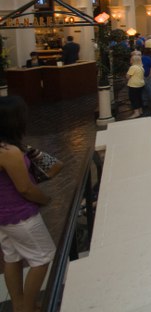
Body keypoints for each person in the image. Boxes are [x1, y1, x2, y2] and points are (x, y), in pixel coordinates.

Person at [0, 96, 55, 312]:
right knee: (42, 258)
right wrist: (45, 199)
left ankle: (18, 304)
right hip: (19, 215)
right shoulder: (8, 152)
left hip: (4, 216)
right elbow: (24, 188)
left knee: (12, 257)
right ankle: (27, 308)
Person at [125, 53, 145, 119]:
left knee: (134, 99)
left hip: (134, 85)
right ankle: (140, 110)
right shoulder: (141, 67)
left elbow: (127, 76)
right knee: (139, 98)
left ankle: (136, 113)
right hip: (141, 84)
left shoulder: (133, 67)